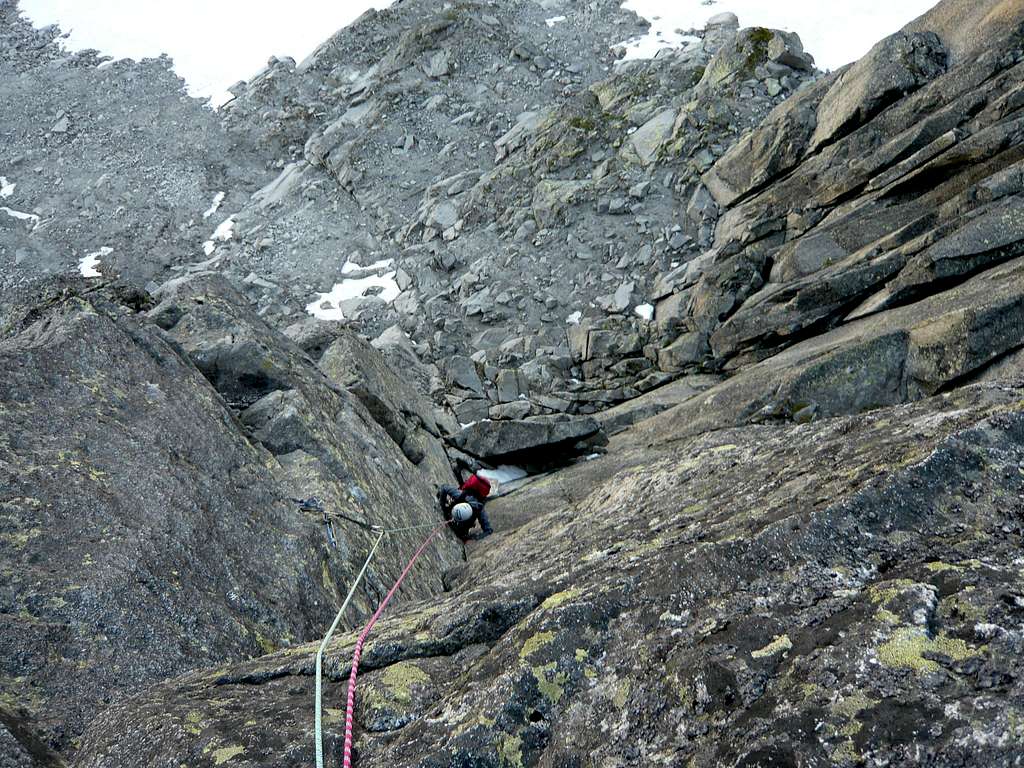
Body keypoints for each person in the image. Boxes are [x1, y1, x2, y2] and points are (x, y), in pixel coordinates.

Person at [438, 472, 493, 540]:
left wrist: (443, 506)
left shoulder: (462, 495)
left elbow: (444, 488)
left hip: (452, 518)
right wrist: (473, 537)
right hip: (460, 531)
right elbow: (488, 530)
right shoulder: (479, 509)